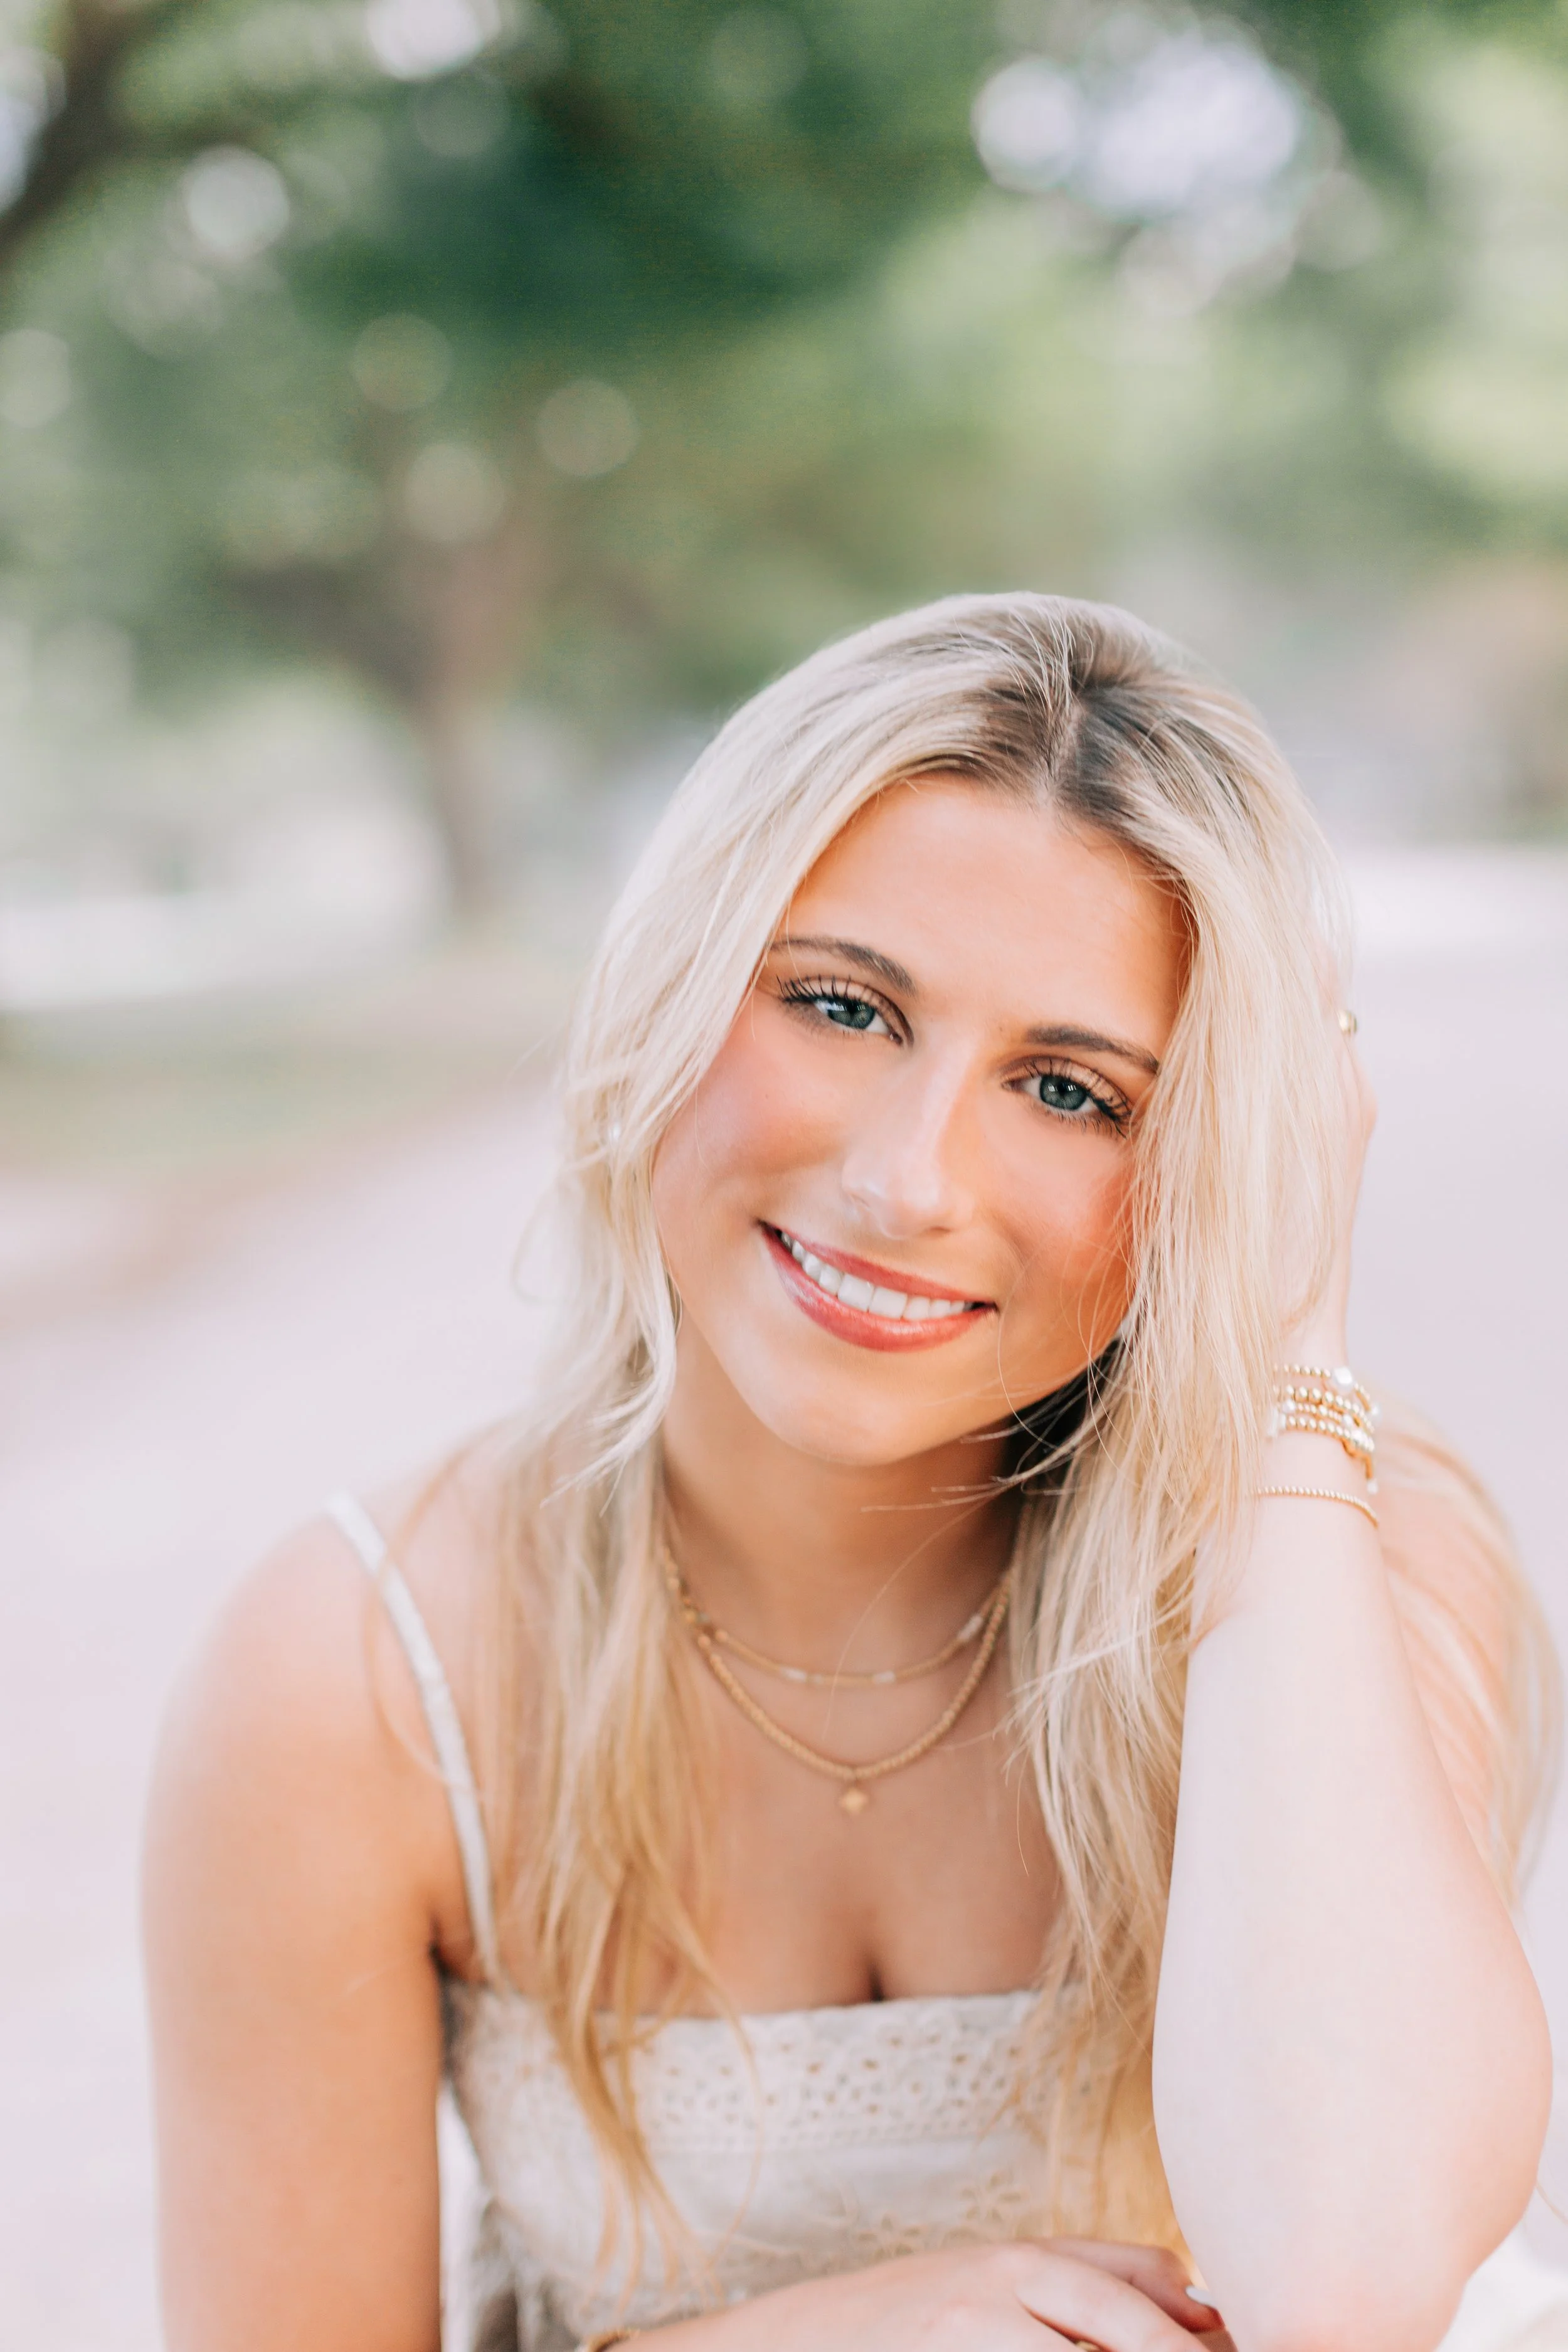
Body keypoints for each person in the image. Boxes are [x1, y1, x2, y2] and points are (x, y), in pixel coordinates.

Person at [144, 595, 1564, 2352]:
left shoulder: (1347, 1547)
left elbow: (1340, 2285)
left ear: (1208, 1149)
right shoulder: (363, 1671)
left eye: (1070, 1090)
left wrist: (1283, 1362)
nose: (906, 1179)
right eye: (839, 1003)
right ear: (672, 973)